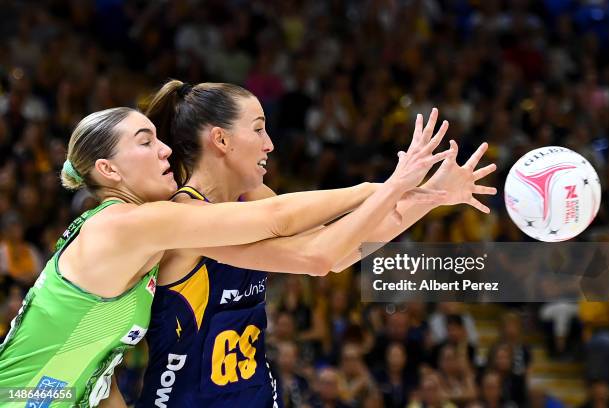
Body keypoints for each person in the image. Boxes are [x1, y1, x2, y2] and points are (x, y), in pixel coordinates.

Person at [0, 103, 451, 407]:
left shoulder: (138, 241)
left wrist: (421, 198)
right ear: (108, 169)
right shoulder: (126, 224)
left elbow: (94, 364)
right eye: (145, 141)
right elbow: (277, 218)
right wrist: (389, 185)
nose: (164, 149)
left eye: (160, 138)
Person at [134, 80, 497, 407]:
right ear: (221, 139)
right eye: (259, 130)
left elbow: (340, 249)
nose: (269, 144)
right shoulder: (183, 219)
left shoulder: (253, 197)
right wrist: (389, 186)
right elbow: (317, 256)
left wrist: (432, 194)